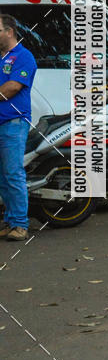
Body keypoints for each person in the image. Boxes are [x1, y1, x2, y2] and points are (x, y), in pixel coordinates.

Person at [0, 14, 37, 241]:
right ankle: (10, 221)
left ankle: (21, 225)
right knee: (2, 177)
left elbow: (13, 87)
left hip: (13, 124)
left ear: (9, 31)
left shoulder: (23, 56)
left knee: (13, 174)